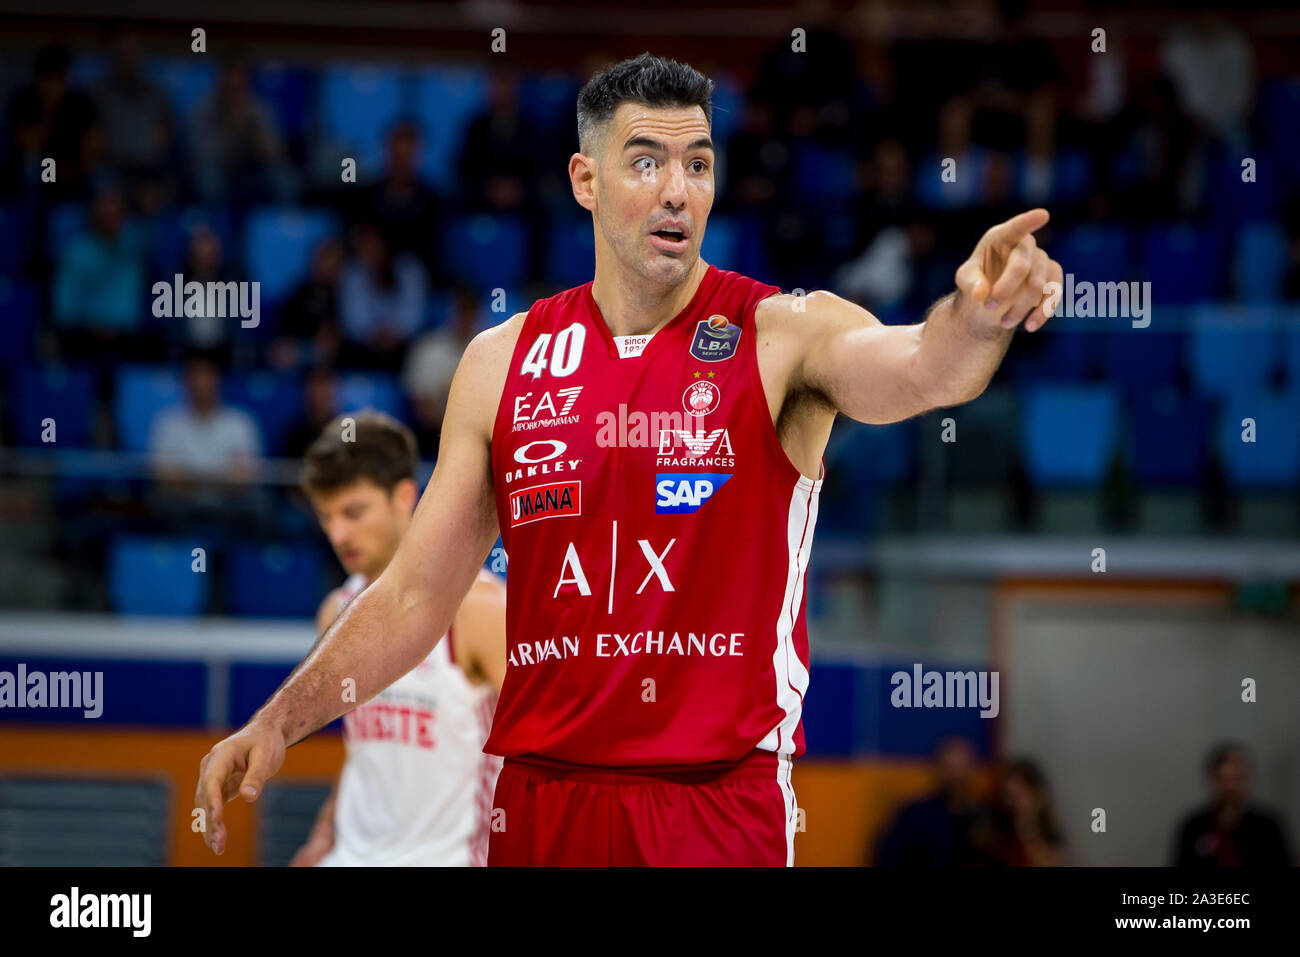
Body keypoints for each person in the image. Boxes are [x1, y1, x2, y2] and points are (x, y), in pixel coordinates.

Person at [196, 53, 1064, 866]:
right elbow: (417, 595)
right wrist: (278, 721)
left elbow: (919, 368)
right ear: (586, 180)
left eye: (698, 163)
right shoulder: (502, 362)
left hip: (714, 805)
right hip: (540, 803)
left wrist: (975, 318)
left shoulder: (784, 335)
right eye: (646, 161)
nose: (677, 191)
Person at [288, 412, 505, 867]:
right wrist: (324, 834)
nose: (337, 533)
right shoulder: (335, 611)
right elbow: (364, 753)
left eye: (353, 511)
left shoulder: (478, 610)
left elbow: (543, 755)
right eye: (326, 516)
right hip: (352, 856)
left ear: (405, 497)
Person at [1171, 743, 1295, 867]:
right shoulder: (1194, 827)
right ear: (1212, 780)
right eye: (1223, 779)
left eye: (1237, 779)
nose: (1230, 787)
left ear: (1248, 779)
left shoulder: (1268, 827)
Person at [874, 737, 979, 866]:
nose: (955, 775)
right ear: (936, 769)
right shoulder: (914, 815)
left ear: (972, 769)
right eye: (948, 767)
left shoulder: (983, 816)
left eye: (960, 767)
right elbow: (887, 857)